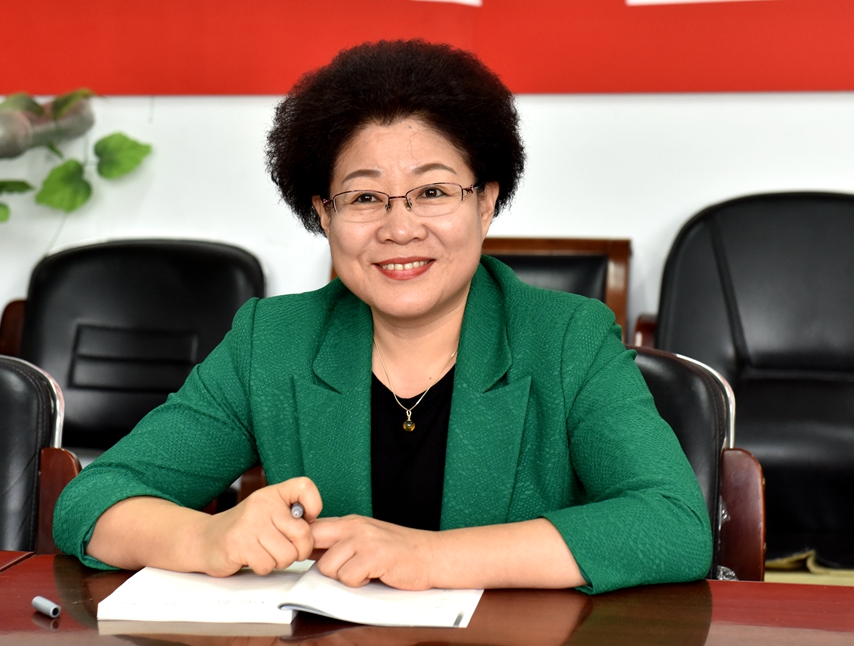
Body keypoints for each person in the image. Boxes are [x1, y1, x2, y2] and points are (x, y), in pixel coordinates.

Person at [54, 40, 711, 594]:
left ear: (486, 202)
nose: (400, 228)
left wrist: (431, 557)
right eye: (365, 197)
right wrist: (208, 536)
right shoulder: (271, 341)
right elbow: (92, 500)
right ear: (324, 214)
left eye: (433, 191)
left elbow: (673, 524)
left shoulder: (568, 338)